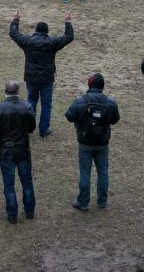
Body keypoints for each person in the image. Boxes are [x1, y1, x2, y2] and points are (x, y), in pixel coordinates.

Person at [8, 11, 74, 137]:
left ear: (36, 30)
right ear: (46, 31)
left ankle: (28, 128)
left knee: (31, 100)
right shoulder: (52, 42)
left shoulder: (27, 41)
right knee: (46, 104)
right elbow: (69, 37)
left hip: (31, 77)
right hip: (47, 78)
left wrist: (16, 20)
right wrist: (68, 22)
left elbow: (14, 33)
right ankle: (44, 130)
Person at [64, 73, 120, 211]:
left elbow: (69, 116)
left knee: (85, 173)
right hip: (102, 143)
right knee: (103, 172)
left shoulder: (80, 101)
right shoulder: (110, 102)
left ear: (89, 84)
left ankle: (83, 202)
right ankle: (102, 201)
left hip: (85, 143)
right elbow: (114, 120)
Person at [0, 81, 37, 224]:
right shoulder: (26, 106)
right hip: (22, 148)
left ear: (5, 91)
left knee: (9, 184)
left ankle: (12, 215)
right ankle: (29, 212)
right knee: (27, 182)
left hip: (6, 150)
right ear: (18, 91)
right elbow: (31, 127)